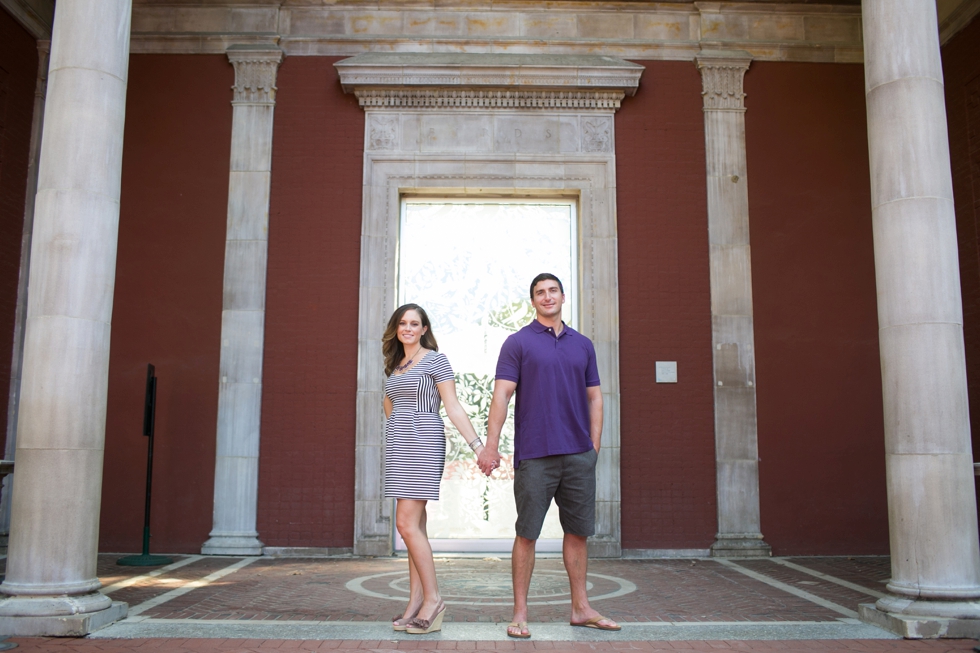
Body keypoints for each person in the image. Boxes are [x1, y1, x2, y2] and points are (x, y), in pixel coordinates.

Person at [477, 273, 620, 639]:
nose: (547, 296)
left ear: (563, 296)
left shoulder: (583, 345)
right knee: (527, 534)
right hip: (536, 455)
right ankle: (520, 613)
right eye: (539, 292)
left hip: (578, 455)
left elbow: (595, 398)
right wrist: (491, 446)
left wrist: (594, 447)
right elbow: (501, 396)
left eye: (552, 290)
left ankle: (581, 608)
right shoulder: (517, 343)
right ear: (533, 301)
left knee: (577, 532)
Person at [382, 303, 491, 635]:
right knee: (415, 525)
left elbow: (453, 406)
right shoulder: (394, 365)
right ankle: (415, 602)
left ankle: (434, 600)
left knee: (405, 523)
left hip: (423, 441)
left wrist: (478, 446)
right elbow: (389, 407)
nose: (408, 328)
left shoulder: (435, 360)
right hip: (400, 444)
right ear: (396, 329)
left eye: (415, 323)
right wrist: (397, 433)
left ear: (425, 329)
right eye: (403, 323)